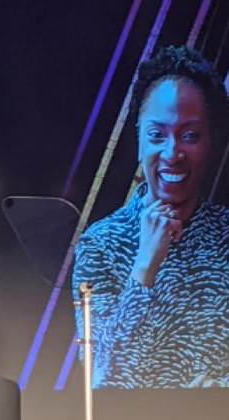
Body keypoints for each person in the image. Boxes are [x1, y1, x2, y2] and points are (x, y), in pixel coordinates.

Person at [73, 45, 229, 389]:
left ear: (210, 142)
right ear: (140, 139)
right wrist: (145, 265)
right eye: (157, 135)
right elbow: (97, 379)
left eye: (190, 136)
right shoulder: (100, 244)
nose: (172, 153)